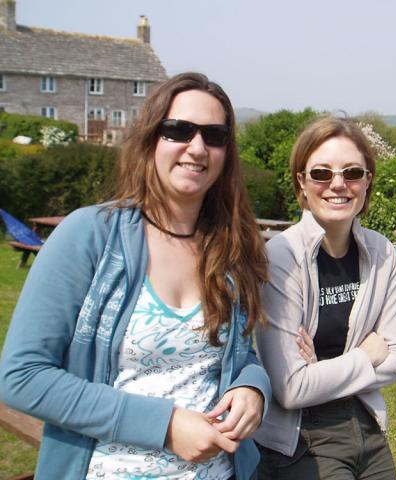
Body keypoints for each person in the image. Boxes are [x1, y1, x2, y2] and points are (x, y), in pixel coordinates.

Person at [0, 72, 271, 480]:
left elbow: (237, 353)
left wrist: (252, 387)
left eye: (214, 136)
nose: (197, 148)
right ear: (150, 138)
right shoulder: (89, 234)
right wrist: (164, 425)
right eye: (179, 130)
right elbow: (22, 377)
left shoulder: (228, 248)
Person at [253, 116, 396, 479]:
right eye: (322, 173)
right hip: (301, 434)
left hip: (365, 422)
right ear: (302, 182)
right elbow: (291, 389)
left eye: (352, 173)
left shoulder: (381, 252)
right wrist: (366, 355)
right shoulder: (281, 257)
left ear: (367, 181)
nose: (337, 185)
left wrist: (321, 371)